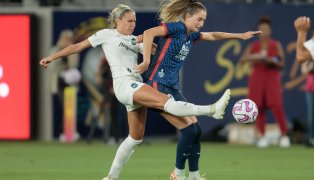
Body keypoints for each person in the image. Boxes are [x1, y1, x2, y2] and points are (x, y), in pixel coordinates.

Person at [39, 4, 231, 180]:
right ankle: (211, 109)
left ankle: (110, 177)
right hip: (125, 85)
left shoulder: (133, 40)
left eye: (135, 21)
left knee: (135, 138)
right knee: (166, 101)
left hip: (136, 87)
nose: (133, 25)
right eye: (130, 21)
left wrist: (158, 46)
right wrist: (52, 57)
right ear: (118, 21)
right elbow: (78, 46)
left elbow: (159, 51)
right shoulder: (106, 34)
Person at [137, 0, 261, 179]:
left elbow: (214, 36)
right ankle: (178, 174)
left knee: (197, 130)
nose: (201, 24)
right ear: (187, 16)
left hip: (172, 87)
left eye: (204, 20)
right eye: (199, 19)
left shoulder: (191, 36)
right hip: (157, 85)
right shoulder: (177, 28)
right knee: (189, 130)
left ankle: (194, 174)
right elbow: (149, 33)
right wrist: (147, 60)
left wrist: (240, 36)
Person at [239, 16, 290, 148]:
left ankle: (284, 135)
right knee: (259, 107)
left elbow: (282, 63)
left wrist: (272, 61)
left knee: (277, 106)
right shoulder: (253, 46)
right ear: (258, 31)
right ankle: (262, 136)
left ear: (270, 31)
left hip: (272, 77)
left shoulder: (276, 45)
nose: (264, 31)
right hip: (257, 78)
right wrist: (255, 56)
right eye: (261, 29)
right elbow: (242, 59)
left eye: (266, 29)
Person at [48, 29, 80, 139]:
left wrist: (69, 50)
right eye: (65, 38)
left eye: (69, 39)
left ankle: (70, 132)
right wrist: (60, 49)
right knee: (64, 108)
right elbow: (51, 66)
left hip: (70, 83)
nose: (67, 41)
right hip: (58, 82)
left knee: (70, 108)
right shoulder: (55, 49)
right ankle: (63, 132)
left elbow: (74, 64)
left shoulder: (73, 49)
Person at [295, 25, 314, 147]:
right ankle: (312, 138)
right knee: (312, 114)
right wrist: (312, 65)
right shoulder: (309, 48)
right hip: (311, 86)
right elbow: (304, 69)